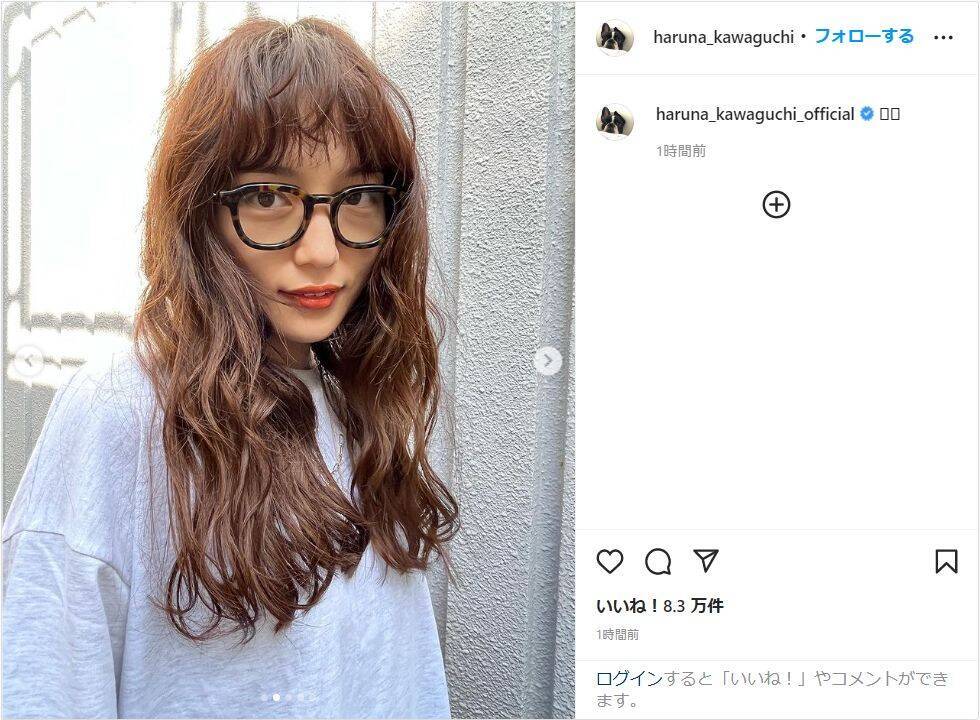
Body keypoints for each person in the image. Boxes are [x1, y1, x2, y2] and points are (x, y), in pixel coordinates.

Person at [2, 15, 460, 719]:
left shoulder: (359, 402)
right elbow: (47, 688)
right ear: (201, 212)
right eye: (269, 197)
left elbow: (400, 682)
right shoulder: (123, 409)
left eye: (358, 198)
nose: (320, 251)